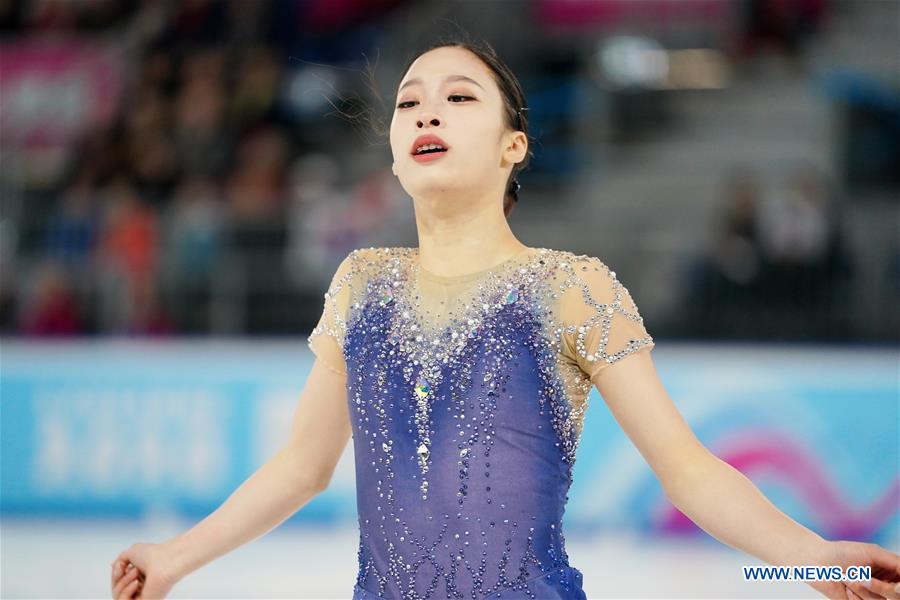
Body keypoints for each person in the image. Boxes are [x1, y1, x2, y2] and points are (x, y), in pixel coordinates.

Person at [110, 39, 900, 600]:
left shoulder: (572, 288)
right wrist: (174, 559)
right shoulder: (361, 284)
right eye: (409, 103)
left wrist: (811, 557)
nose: (427, 113)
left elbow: (686, 470)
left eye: (459, 99)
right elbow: (300, 468)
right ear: (390, 150)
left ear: (512, 145)